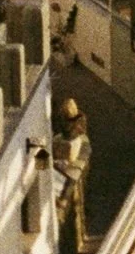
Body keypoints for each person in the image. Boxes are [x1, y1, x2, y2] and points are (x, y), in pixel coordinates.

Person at [54, 96, 91, 254]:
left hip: (68, 176)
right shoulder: (80, 131)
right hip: (70, 175)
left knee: (72, 213)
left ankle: (74, 246)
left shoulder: (68, 137)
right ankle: (78, 242)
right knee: (76, 213)